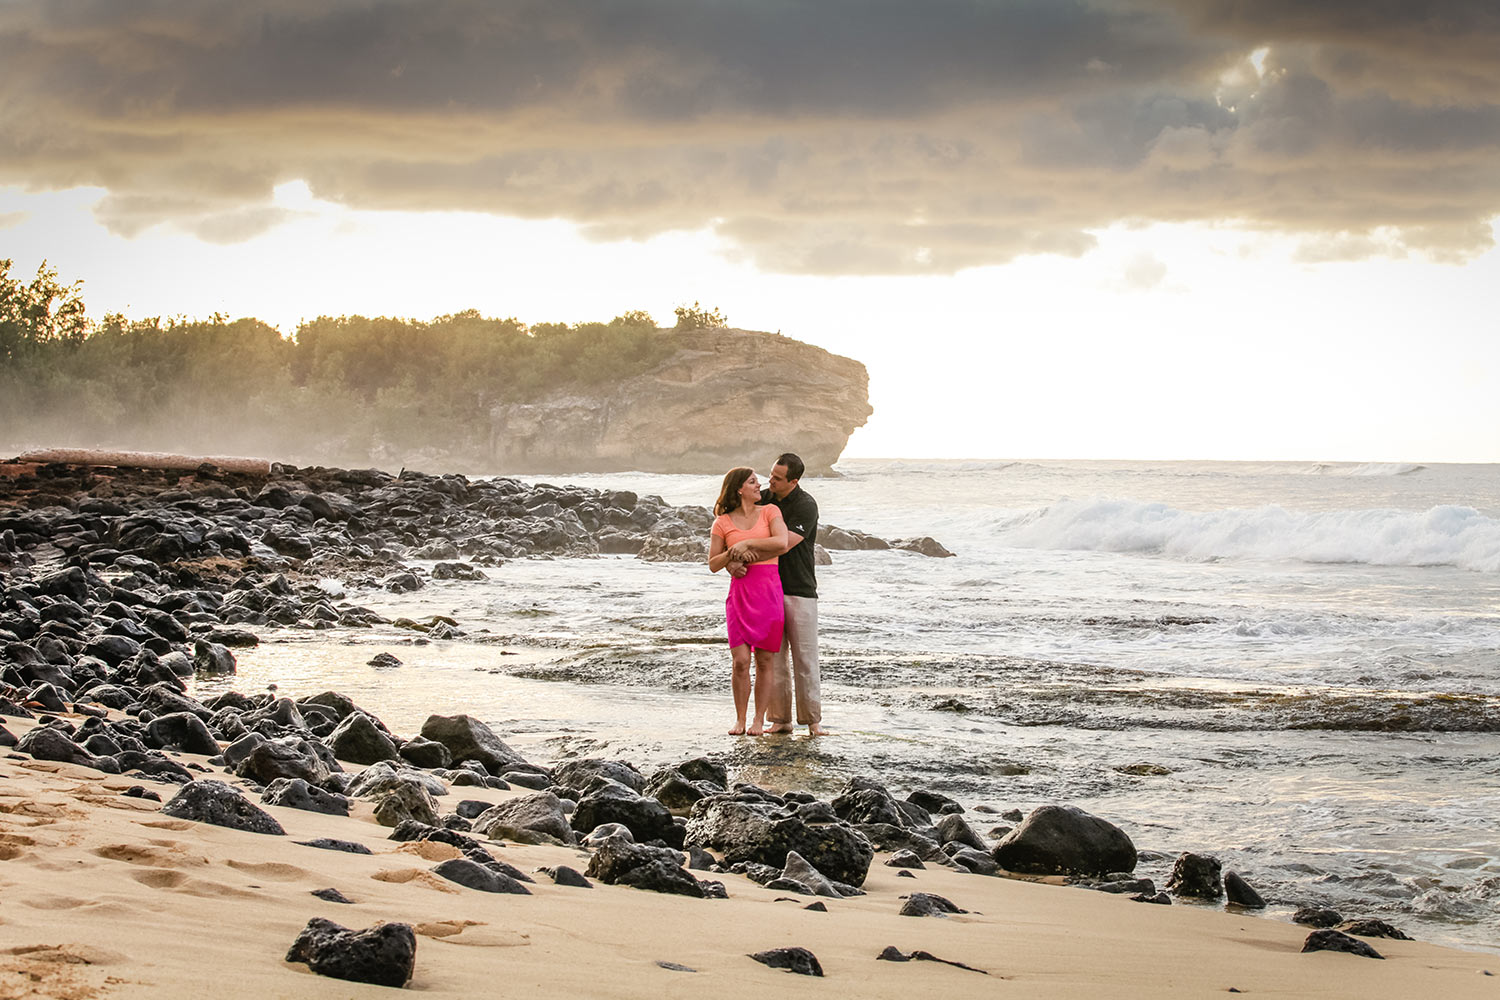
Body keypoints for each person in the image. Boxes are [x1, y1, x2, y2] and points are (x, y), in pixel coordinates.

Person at [727, 452, 822, 735]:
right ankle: (780, 720)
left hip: (799, 588)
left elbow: (784, 544)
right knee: (773, 658)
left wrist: (746, 550)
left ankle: (813, 722)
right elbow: (736, 528)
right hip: (766, 590)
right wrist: (733, 560)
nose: (771, 481)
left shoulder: (806, 505)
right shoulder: (764, 498)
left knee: (805, 657)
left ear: (793, 480)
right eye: (770, 475)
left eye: (778, 478)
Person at [707, 466, 788, 736]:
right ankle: (740, 720)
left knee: (765, 660)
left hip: (768, 591)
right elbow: (713, 564)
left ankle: (758, 721)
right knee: (740, 661)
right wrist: (733, 554)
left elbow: (781, 543)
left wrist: (748, 545)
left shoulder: (770, 512)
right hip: (740, 593)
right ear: (739, 488)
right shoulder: (722, 522)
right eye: (753, 482)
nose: (759, 485)